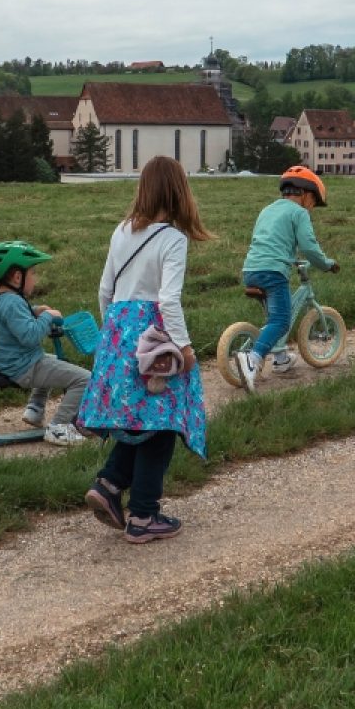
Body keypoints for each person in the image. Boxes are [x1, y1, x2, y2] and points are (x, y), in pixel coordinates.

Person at [76, 156, 212, 543]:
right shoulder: (173, 239)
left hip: (118, 333)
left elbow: (105, 289)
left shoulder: (122, 231)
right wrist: (184, 348)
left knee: (138, 420)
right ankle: (144, 516)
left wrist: (113, 335)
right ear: (179, 191)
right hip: (155, 338)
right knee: (161, 423)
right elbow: (169, 300)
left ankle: (109, 484)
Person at [232, 164, 339, 392]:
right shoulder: (299, 213)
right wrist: (326, 264)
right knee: (281, 320)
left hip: (250, 270)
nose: (312, 208)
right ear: (306, 193)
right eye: (314, 202)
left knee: (274, 315)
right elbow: (309, 247)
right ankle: (253, 358)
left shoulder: (267, 209)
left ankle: (280, 359)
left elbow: (269, 240)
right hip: (273, 271)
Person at [0, 240, 91, 446]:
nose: (35, 278)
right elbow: (30, 335)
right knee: (84, 379)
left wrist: (34, 311)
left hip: (14, 363)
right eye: (32, 273)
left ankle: (34, 409)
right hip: (24, 367)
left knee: (52, 361)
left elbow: (14, 319)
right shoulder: (13, 302)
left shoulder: (2, 299)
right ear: (17, 277)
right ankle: (59, 426)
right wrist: (48, 316)